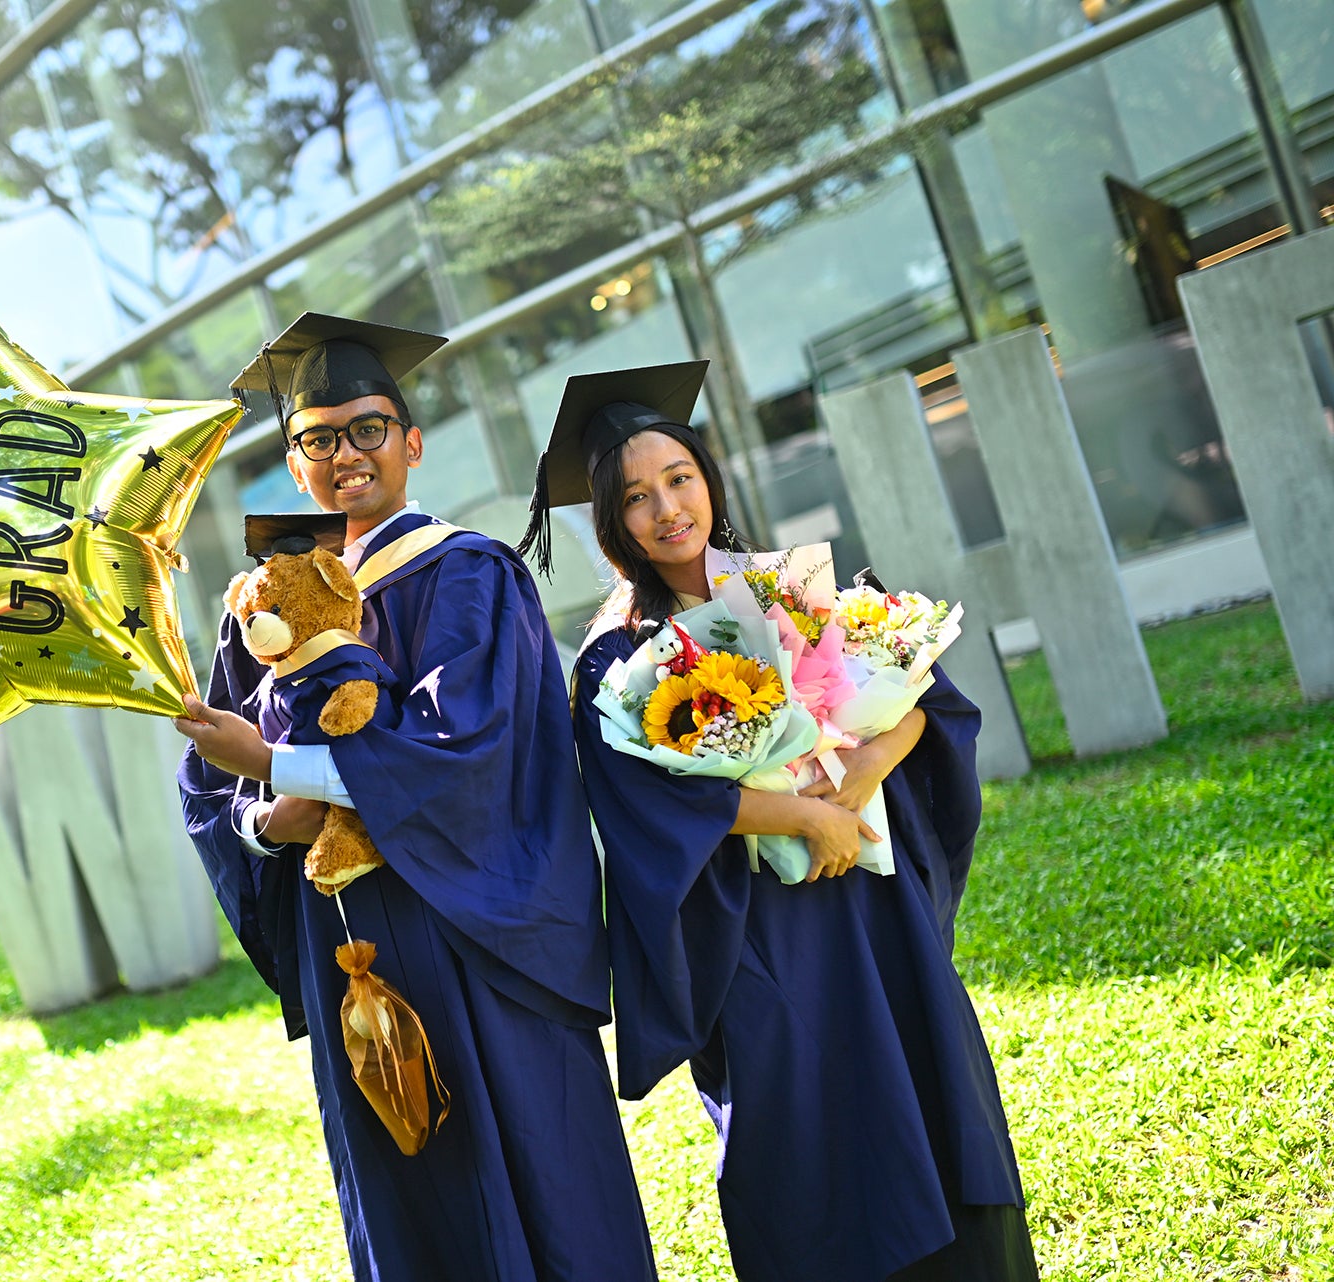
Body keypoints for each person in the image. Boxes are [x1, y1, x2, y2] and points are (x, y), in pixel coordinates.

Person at [522, 361, 1038, 1282]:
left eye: (679, 478)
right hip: (756, 931)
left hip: (871, 903)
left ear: (708, 477)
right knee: (806, 1131)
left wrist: (861, 775)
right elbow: (642, 803)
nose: (666, 509)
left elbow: (920, 695)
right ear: (611, 521)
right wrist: (801, 817)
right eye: (635, 497)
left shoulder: (786, 586)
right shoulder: (615, 654)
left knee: (935, 1091)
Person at [174, 313, 658, 1282]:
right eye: (319, 439)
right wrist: (264, 822)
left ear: (412, 443)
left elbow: (470, 754)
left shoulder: (469, 573)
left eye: (368, 429)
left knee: (538, 1179)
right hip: (349, 953)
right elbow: (209, 786)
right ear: (294, 464)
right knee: (411, 1198)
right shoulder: (259, 606)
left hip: (475, 936)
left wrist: (281, 767)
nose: (346, 455)